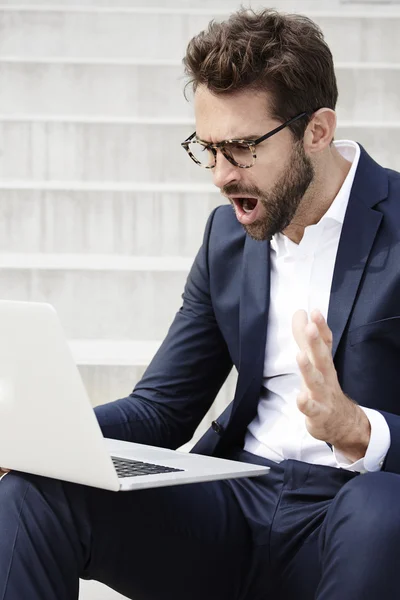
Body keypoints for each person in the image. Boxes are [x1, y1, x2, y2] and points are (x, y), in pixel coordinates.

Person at [1, 7, 400, 600]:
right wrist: (34, 441)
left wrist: (361, 430)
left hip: (358, 515)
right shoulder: (227, 238)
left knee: (382, 512)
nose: (219, 175)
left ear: (316, 130)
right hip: (239, 501)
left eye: (240, 148)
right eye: (207, 148)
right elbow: (163, 408)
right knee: (36, 489)